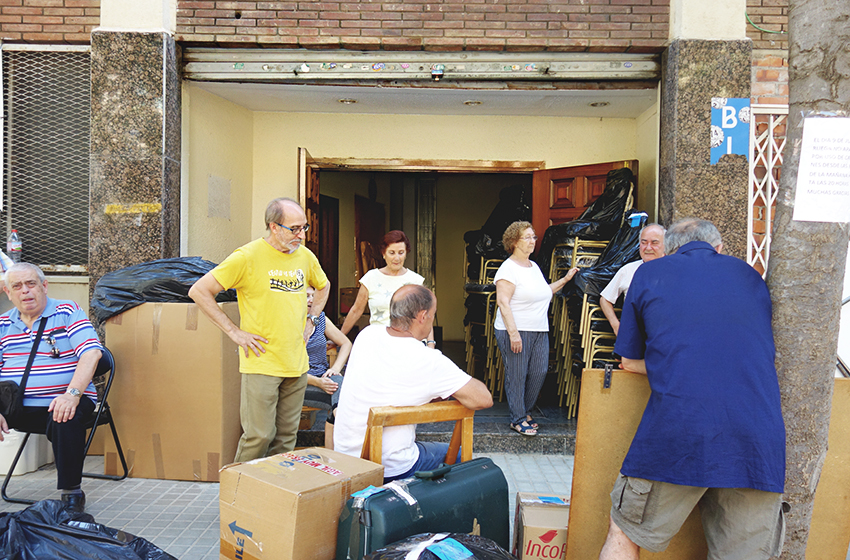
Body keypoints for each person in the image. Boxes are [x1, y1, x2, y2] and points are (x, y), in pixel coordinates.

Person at [599, 218, 786, 560]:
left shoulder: (649, 273)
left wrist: (668, 365)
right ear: (719, 248)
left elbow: (628, 361)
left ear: (670, 248)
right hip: (758, 439)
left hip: (679, 428)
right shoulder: (750, 276)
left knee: (625, 530)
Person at [189, 197, 330, 462]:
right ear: (273, 227)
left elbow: (323, 286)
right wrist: (234, 332)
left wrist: (312, 319)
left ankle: (274, 496)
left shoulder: (305, 256)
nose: (301, 235)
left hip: (296, 363)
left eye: (304, 228)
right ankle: (238, 497)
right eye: (294, 229)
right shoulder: (247, 256)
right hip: (262, 361)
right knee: (259, 435)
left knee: (287, 437)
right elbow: (199, 291)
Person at [334, 285, 493, 482]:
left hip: (347, 458)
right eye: (433, 315)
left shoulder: (366, 335)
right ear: (422, 316)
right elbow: (483, 399)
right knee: (460, 455)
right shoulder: (428, 360)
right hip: (390, 467)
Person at [0, 263, 102, 513]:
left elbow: (92, 353)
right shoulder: (2, 324)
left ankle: (71, 494)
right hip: (16, 405)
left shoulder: (67, 311)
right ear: (8, 293)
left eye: (31, 284)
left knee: (63, 416)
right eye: (17, 286)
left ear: (44, 286)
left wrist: (72, 394)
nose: (25, 291)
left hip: (68, 399)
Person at [494, 221, 578, 436]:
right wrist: (513, 334)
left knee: (539, 372)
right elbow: (503, 302)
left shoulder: (534, 267)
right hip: (515, 330)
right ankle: (518, 418)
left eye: (534, 237)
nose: (533, 241)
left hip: (539, 329)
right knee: (517, 375)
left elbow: (544, 292)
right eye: (528, 237)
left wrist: (565, 280)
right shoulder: (508, 269)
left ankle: (525, 410)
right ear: (514, 242)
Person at [340, 231, 431, 345]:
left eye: (401, 252)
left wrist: (430, 345)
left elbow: (426, 316)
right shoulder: (371, 278)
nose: (396, 258)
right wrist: (339, 337)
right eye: (392, 253)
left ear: (406, 253)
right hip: (379, 343)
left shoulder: (416, 281)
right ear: (383, 254)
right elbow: (356, 310)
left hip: (408, 344)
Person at [303, 285, 352, 449]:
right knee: (341, 398)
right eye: (307, 296)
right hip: (299, 383)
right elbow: (288, 369)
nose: (311, 300)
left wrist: (336, 368)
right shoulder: (288, 322)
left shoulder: (320, 319)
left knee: (338, 383)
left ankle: (340, 416)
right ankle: (343, 424)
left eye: (314, 296)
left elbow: (345, 343)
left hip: (324, 381)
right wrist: (317, 382)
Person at [599, 223, 666, 335]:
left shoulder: (674, 269)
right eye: (644, 243)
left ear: (666, 245)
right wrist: (616, 325)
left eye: (654, 243)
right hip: (635, 333)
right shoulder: (628, 270)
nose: (648, 248)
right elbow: (605, 299)